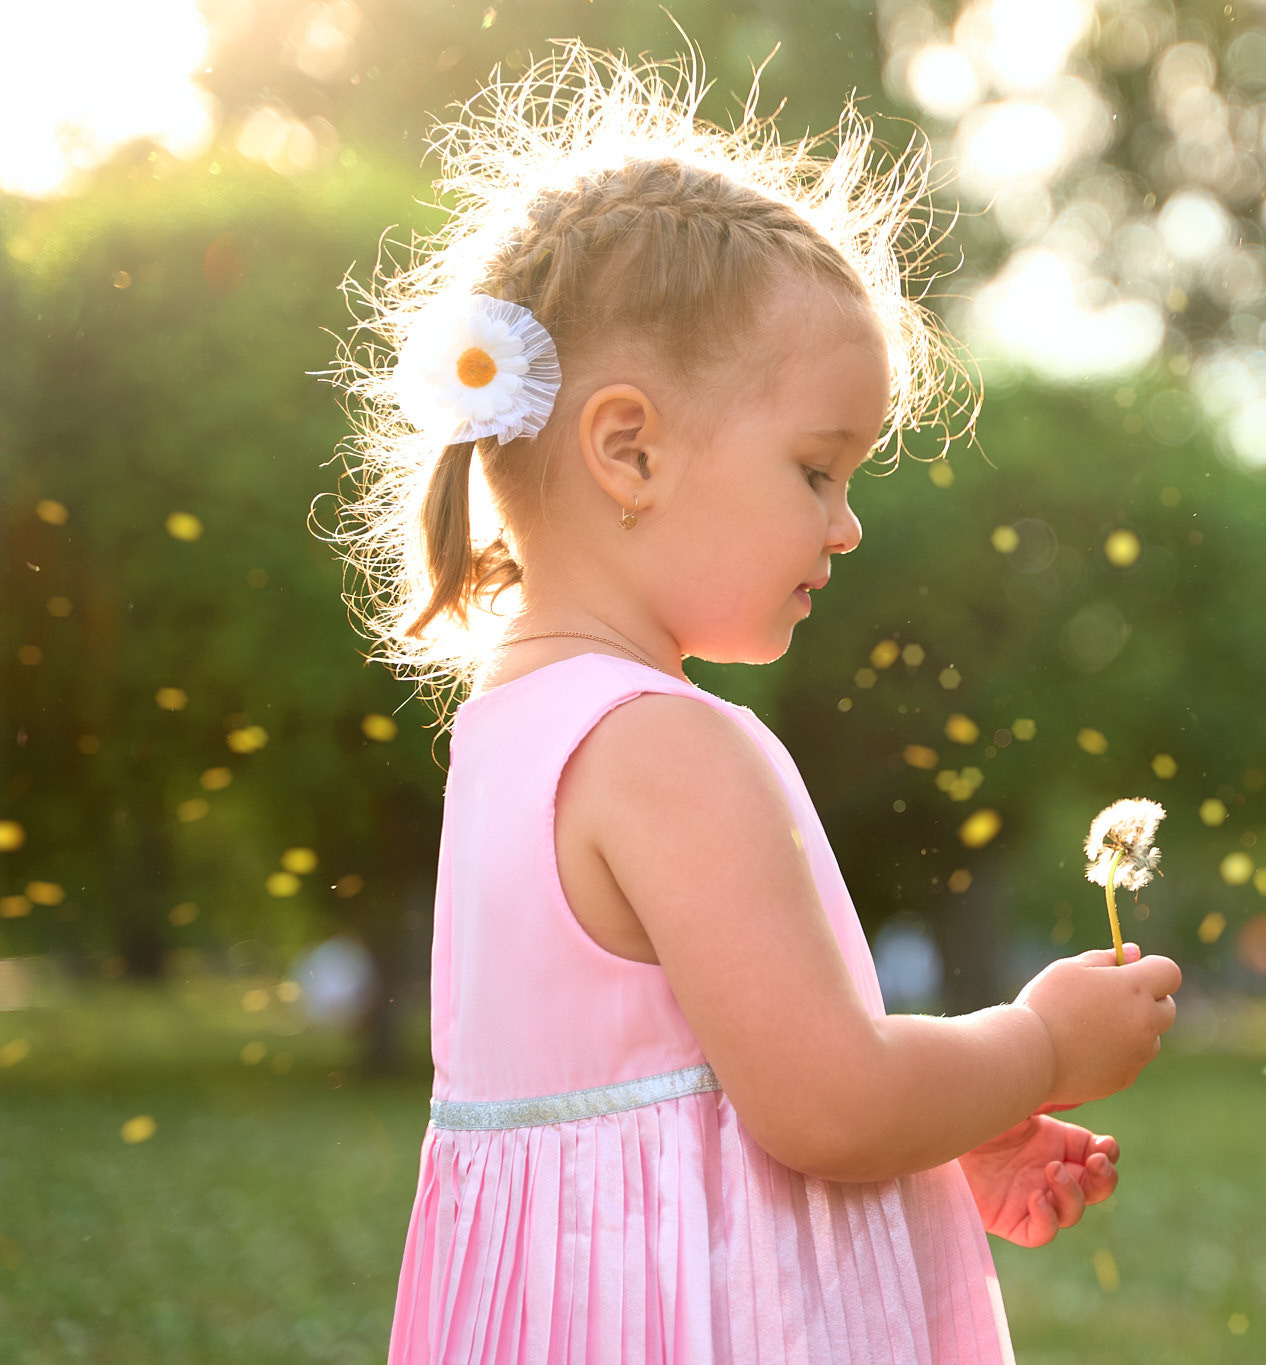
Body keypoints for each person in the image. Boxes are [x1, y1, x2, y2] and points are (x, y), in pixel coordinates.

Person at [332, 46, 1182, 1364]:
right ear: (631, 448)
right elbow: (828, 1104)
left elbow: (688, 1096)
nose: (845, 527)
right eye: (816, 469)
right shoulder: (665, 744)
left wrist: (947, 1136)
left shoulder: (512, 732)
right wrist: (1040, 1042)